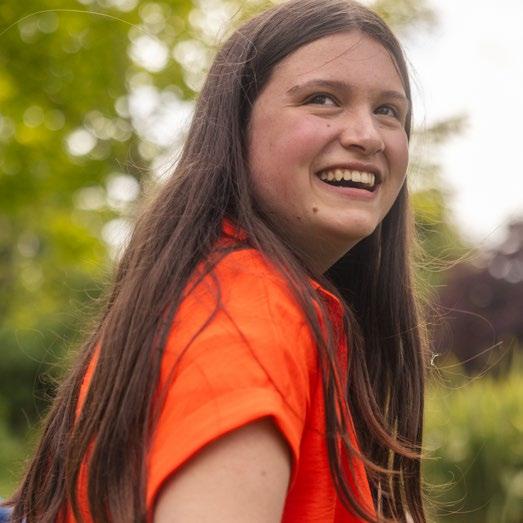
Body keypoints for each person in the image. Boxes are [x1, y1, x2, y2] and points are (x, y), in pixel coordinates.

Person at [8, 0, 429, 521]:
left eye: (388, 111)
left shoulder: (214, 290)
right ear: (236, 127)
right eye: (322, 99)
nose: (366, 135)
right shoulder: (250, 309)